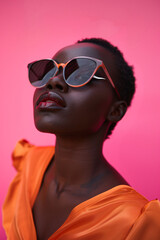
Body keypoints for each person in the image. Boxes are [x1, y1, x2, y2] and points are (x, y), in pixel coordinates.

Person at [2, 38, 160, 240]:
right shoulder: (29, 164)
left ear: (115, 110)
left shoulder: (133, 222)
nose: (54, 81)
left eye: (81, 74)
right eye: (48, 71)